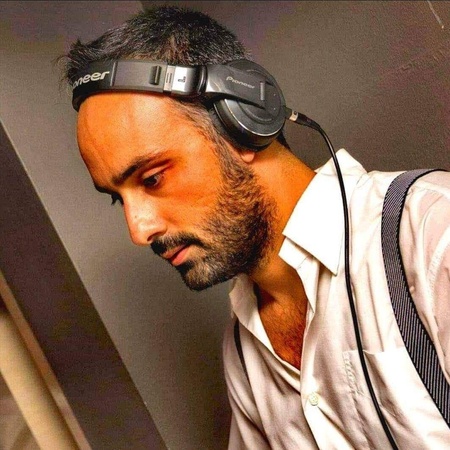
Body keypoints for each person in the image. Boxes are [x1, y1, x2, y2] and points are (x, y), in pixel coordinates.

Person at [59, 5, 450, 449]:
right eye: (118, 198)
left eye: (152, 179)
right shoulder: (244, 353)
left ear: (242, 121)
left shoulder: (431, 236)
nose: (138, 230)